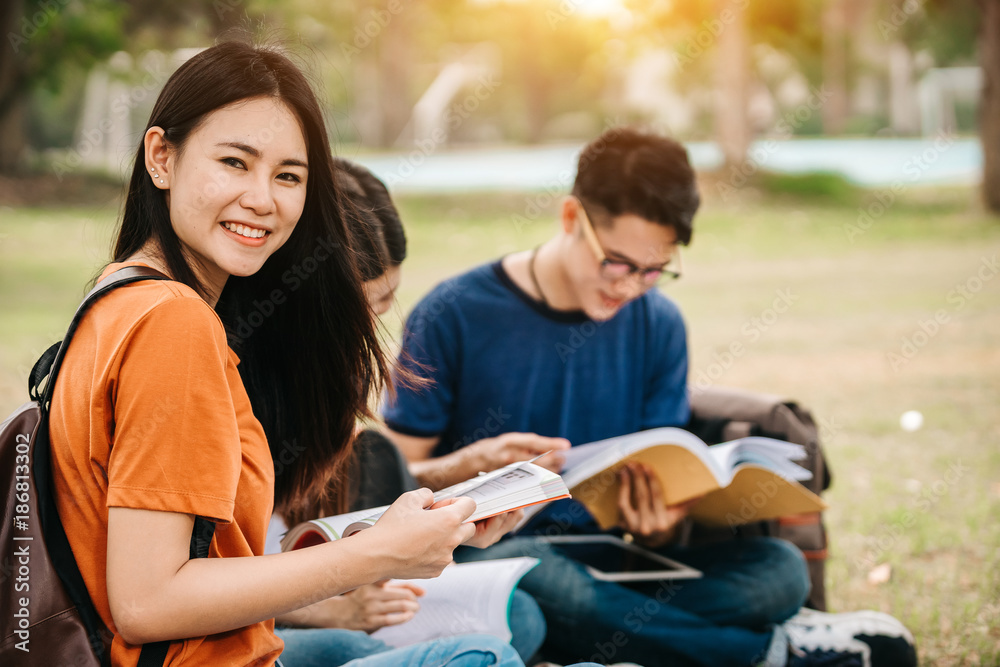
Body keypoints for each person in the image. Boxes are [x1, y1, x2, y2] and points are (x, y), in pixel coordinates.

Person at [47, 40, 529, 667]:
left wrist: (416, 528)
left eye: (288, 176)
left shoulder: (120, 291)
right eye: (234, 162)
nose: (262, 199)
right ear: (161, 157)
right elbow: (147, 602)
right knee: (484, 654)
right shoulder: (172, 322)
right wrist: (377, 556)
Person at [381, 128, 918, 667]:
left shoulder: (659, 322)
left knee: (778, 571)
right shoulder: (452, 313)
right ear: (571, 218)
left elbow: (664, 473)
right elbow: (391, 476)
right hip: (495, 556)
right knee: (533, 581)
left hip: (621, 565)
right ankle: (770, 652)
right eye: (617, 263)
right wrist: (467, 465)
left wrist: (664, 521)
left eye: (654, 270)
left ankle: (625, 638)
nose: (630, 286)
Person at [265, 158, 548, 666]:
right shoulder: (230, 377)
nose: (369, 334)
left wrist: (456, 494)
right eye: (357, 312)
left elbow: (320, 509)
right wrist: (328, 607)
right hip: (266, 612)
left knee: (520, 617)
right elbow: (195, 583)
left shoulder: (326, 381)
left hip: (325, 574)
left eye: (386, 303)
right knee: (362, 646)